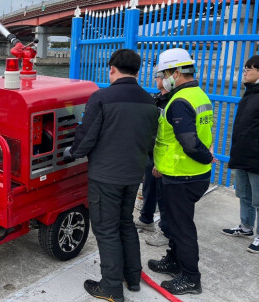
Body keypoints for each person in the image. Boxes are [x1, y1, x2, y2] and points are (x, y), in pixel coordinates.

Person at [63, 49, 158, 302]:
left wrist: (70, 153)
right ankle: (133, 277)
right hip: (132, 175)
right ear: (138, 72)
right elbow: (150, 143)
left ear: (112, 68)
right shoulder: (150, 102)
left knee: (105, 230)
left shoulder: (102, 98)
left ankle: (111, 286)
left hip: (106, 176)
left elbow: (87, 135)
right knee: (125, 223)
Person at [147, 48, 215, 295]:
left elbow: (188, 142)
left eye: (163, 73)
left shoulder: (180, 101)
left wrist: (207, 156)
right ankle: (174, 260)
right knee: (175, 224)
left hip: (183, 175)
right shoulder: (198, 95)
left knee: (182, 227)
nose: (162, 78)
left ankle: (190, 278)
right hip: (187, 172)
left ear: (176, 72)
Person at [221, 55, 259, 253]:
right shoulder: (253, 91)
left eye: (248, 69)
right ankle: (246, 227)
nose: (244, 72)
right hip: (244, 153)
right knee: (244, 194)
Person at [135, 70, 171, 247]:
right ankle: (146, 218)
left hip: (163, 154)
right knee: (149, 186)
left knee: (164, 194)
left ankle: (166, 231)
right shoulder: (157, 98)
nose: (155, 79)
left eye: (158, 77)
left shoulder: (173, 102)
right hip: (151, 150)